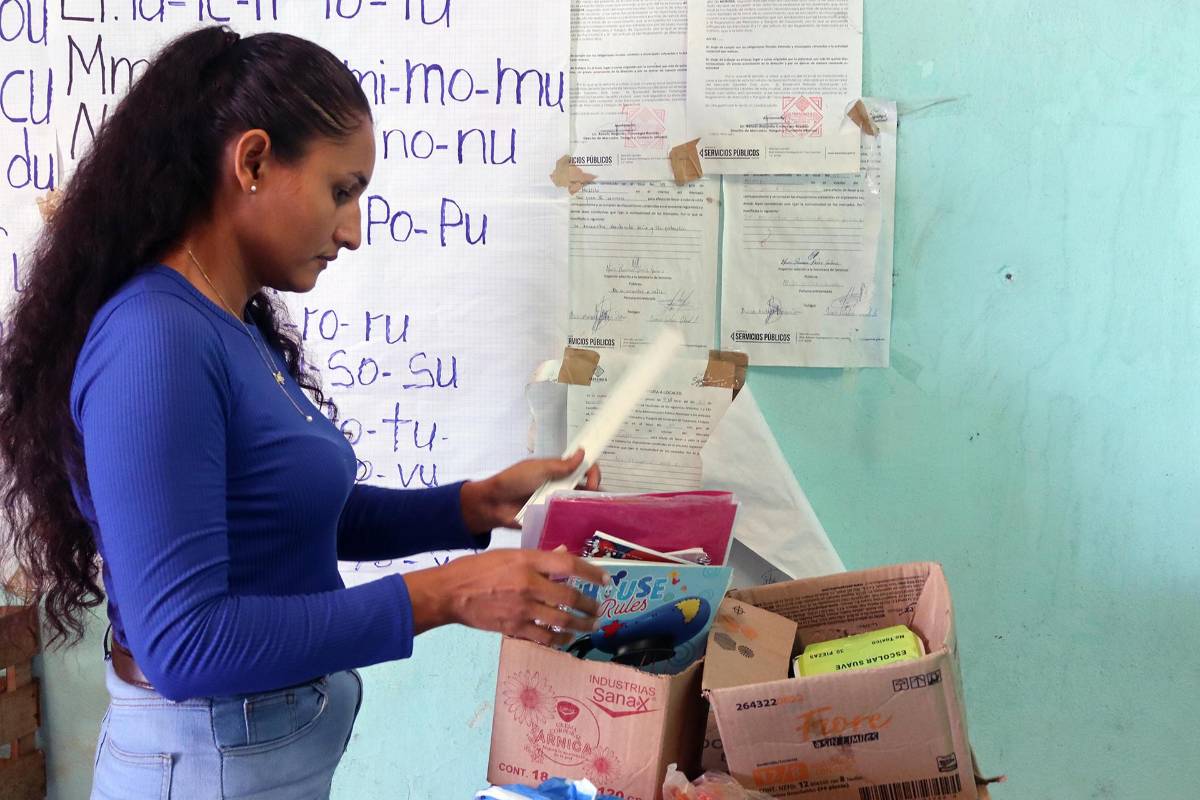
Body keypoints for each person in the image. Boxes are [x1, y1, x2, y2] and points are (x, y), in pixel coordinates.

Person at [0, 26, 605, 800]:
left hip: (247, 758)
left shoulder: (232, 322)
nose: (352, 231)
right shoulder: (156, 340)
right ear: (252, 161)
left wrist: (471, 504)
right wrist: (446, 594)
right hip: (205, 769)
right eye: (341, 191)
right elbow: (184, 643)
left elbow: (289, 512)